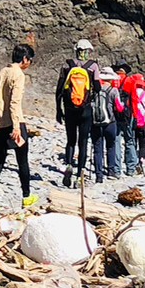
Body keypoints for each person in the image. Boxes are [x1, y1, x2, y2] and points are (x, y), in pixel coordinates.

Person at [0, 43, 38, 211]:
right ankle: (26, 197)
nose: (29, 63)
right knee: (22, 161)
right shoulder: (18, 75)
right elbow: (14, 103)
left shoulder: (3, 71)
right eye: (30, 60)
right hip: (14, 123)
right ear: (25, 59)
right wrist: (16, 127)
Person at [57, 41, 97, 186]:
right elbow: (98, 88)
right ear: (87, 51)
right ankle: (80, 175)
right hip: (85, 109)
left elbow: (59, 89)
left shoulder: (67, 65)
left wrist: (58, 110)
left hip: (69, 109)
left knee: (71, 140)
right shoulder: (93, 66)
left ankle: (69, 165)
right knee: (83, 142)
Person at [91, 67, 121, 182]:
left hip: (96, 122)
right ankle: (111, 171)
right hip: (110, 122)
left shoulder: (95, 89)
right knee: (111, 146)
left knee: (97, 148)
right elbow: (119, 107)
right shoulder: (113, 90)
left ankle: (99, 175)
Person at [126, 73, 145, 173]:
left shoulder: (130, 93)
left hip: (133, 120)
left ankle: (133, 160)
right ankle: (141, 160)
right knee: (143, 143)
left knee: (133, 142)